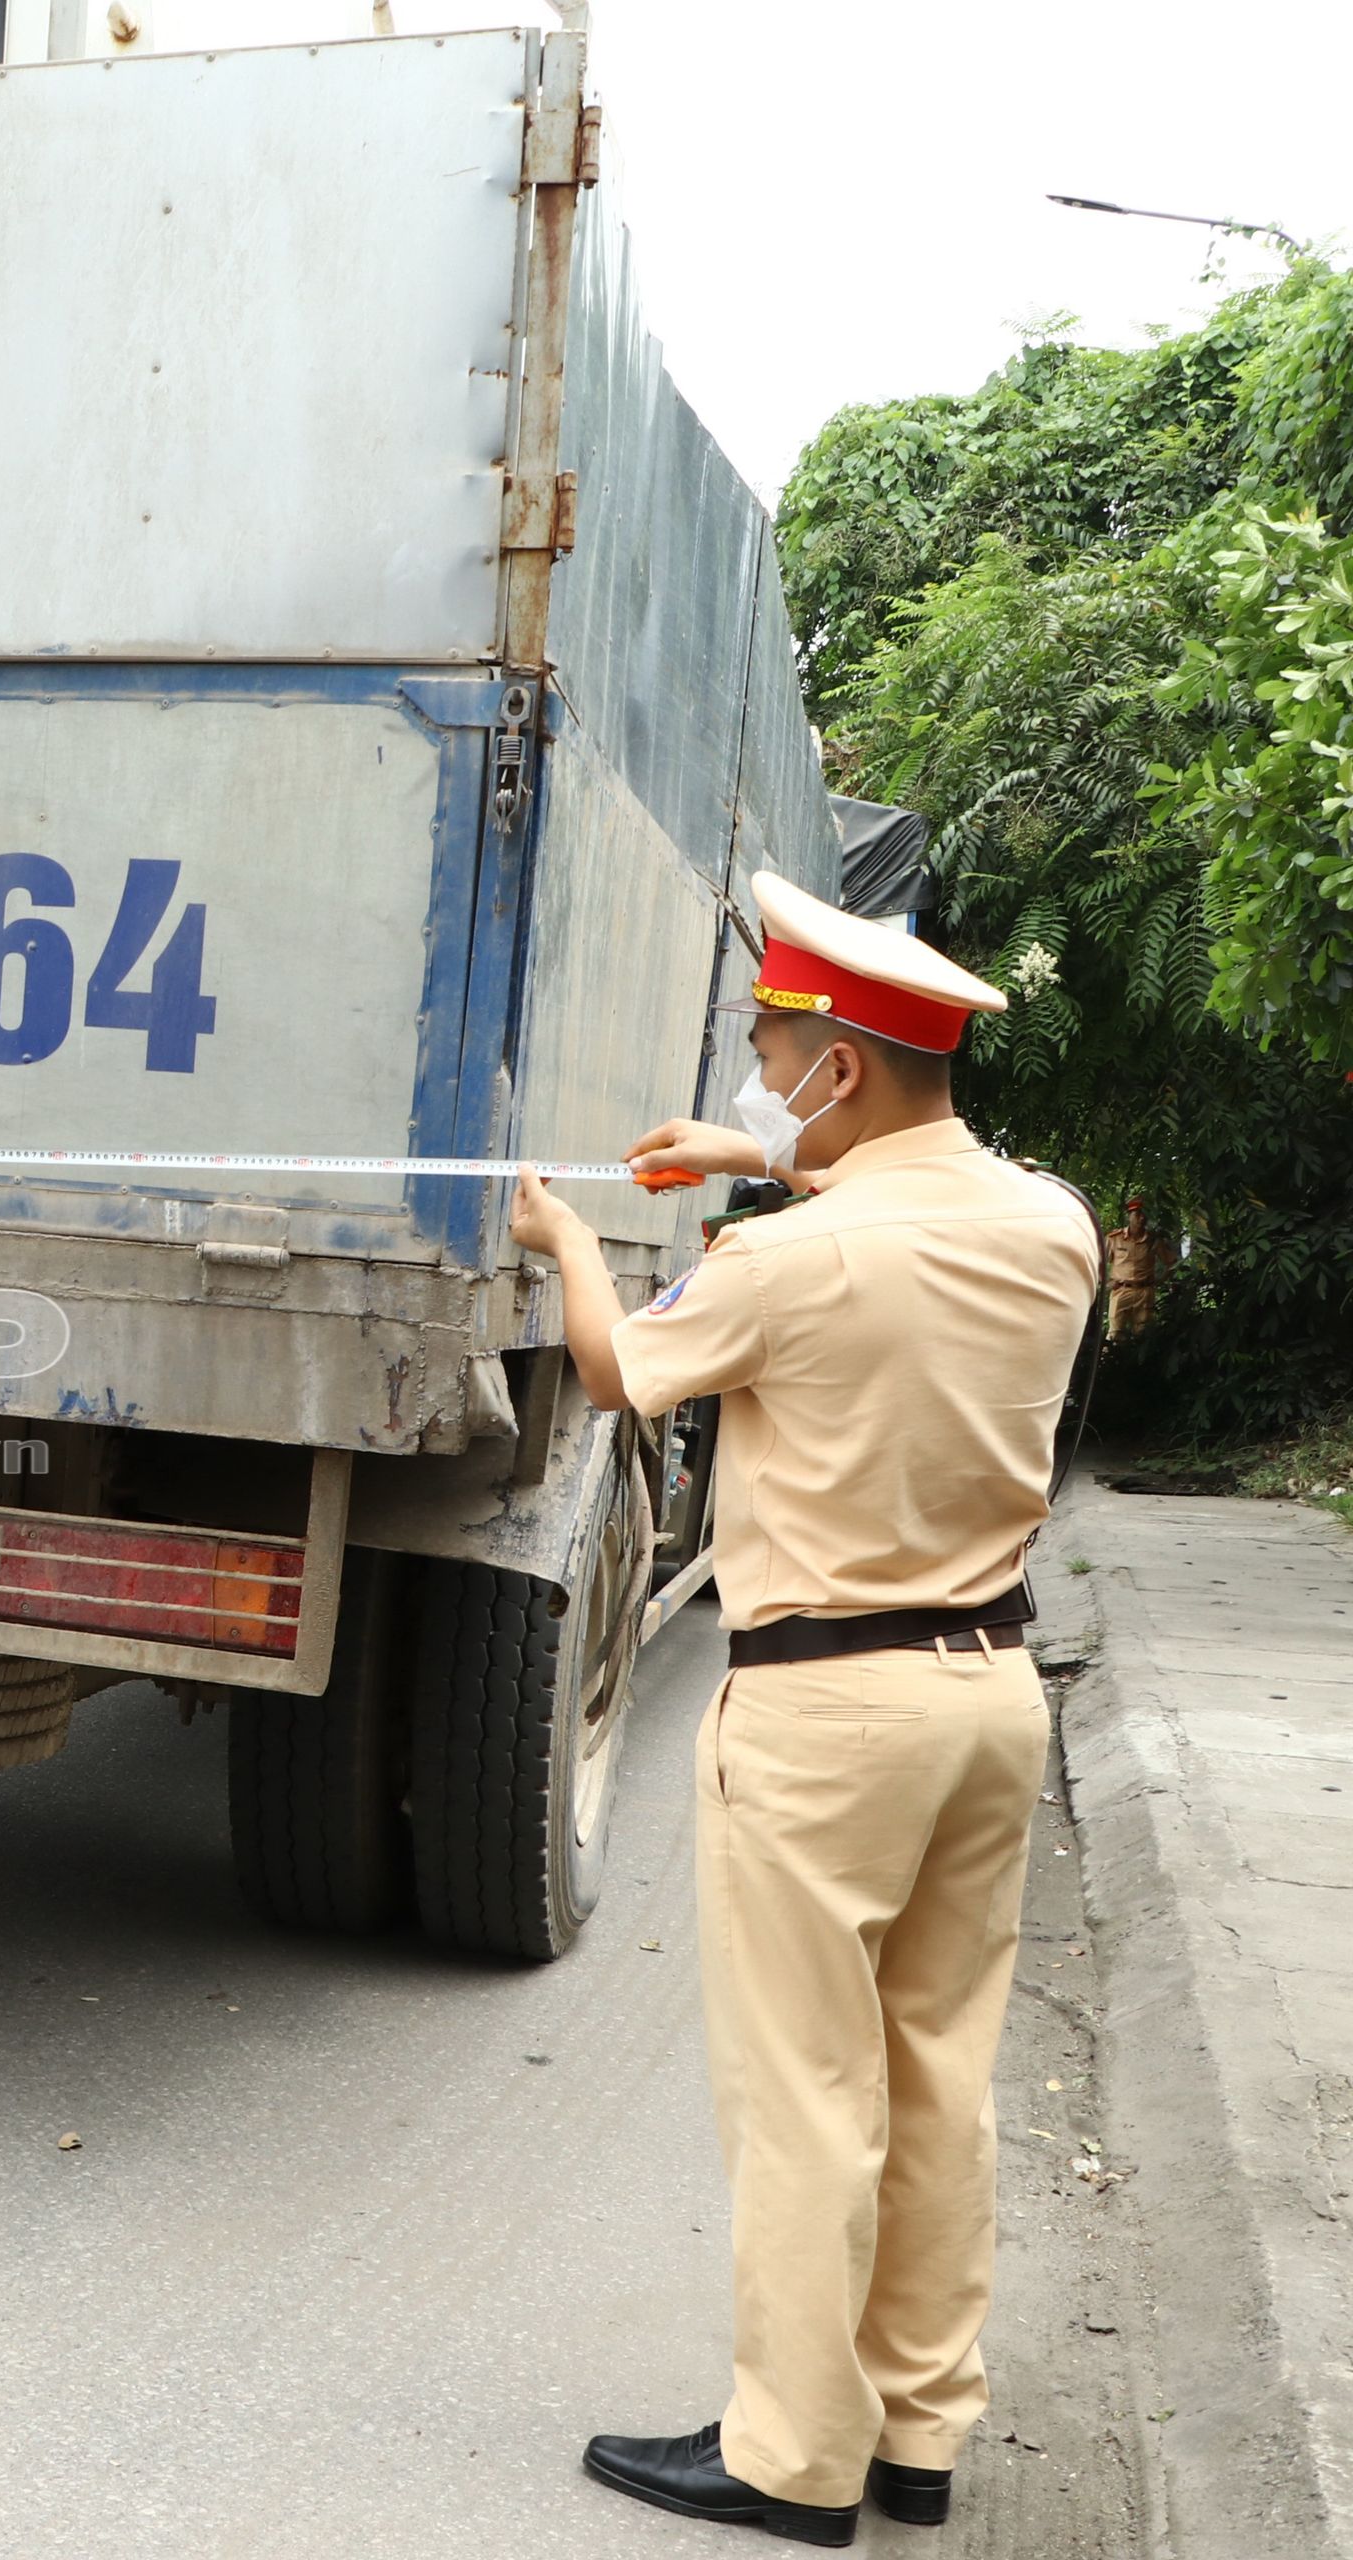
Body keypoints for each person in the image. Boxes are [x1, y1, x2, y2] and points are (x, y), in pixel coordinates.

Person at [514, 873, 1099, 2548]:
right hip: (990, 1700)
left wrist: (568, 1242)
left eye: (776, 1052)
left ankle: (789, 2455)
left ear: (837, 1070)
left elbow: (624, 1371)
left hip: (828, 1715)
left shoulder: (791, 1261)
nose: (764, 1073)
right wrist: (743, 1149)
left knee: (806, 2094)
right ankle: (919, 2433)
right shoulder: (1049, 1224)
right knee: (937, 2076)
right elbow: (900, 1210)